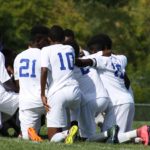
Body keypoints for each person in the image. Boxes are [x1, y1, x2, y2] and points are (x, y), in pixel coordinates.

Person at [76, 33, 134, 133]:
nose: (93, 52)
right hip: (128, 100)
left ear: (105, 48)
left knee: (111, 137)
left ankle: (141, 132)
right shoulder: (121, 58)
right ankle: (138, 135)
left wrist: (72, 59)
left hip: (117, 103)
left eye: (94, 50)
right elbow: (127, 80)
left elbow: (84, 62)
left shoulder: (102, 59)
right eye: (91, 51)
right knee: (121, 136)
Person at [41, 25, 81, 144]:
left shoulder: (46, 50)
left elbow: (44, 70)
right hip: (75, 91)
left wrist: (42, 94)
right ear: (64, 38)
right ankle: (72, 131)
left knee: (52, 138)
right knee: (70, 116)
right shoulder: (70, 48)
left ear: (49, 39)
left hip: (58, 92)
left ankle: (67, 132)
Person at [13, 25, 50, 141]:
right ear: (39, 40)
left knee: (26, 138)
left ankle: (30, 132)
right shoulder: (45, 54)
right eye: (46, 40)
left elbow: (18, 84)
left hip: (27, 102)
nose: (49, 42)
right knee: (57, 134)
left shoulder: (18, 57)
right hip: (47, 100)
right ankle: (64, 133)